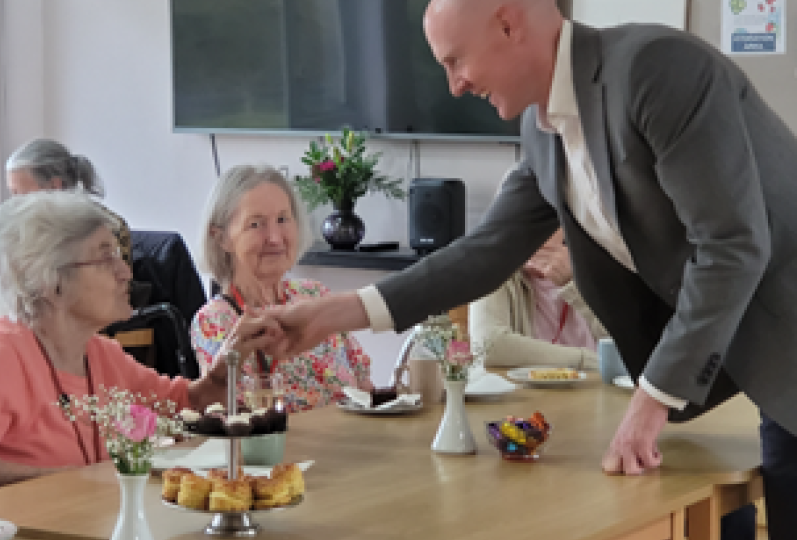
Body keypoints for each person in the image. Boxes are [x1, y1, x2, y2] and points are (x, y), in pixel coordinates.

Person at [266, 1, 794, 538]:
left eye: (455, 61)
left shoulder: (654, 69)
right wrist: (334, 314)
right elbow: (487, 250)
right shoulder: (543, 131)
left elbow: (731, 245)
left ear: (507, 22)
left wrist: (651, 401)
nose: (454, 86)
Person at [0, 191, 280, 492]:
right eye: (105, 259)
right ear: (50, 281)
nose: (125, 272)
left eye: (120, 256)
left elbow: (181, 406)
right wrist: (63, 482)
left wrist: (225, 368)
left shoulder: (101, 354)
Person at [190, 165, 373, 412]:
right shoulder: (216, 320)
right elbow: (235, 417)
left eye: (282, 219)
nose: (275, 237)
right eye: (256, 224)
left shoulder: (314, 295)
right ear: (222, 238)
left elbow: (365, 386)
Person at [469, 228, 605, 369]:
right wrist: (584, 360)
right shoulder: (494, 269)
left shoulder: (594, 265)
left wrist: (575, 288)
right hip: (524, 390)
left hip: (598, 389)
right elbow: (488, 345)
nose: (536, 228)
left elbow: (624, 344)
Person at [5, 138, 132, 265]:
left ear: (54, 186)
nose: (14, 203)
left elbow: (115, 282)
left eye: (20, 194)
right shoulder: (23, 229)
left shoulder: (106, 227)